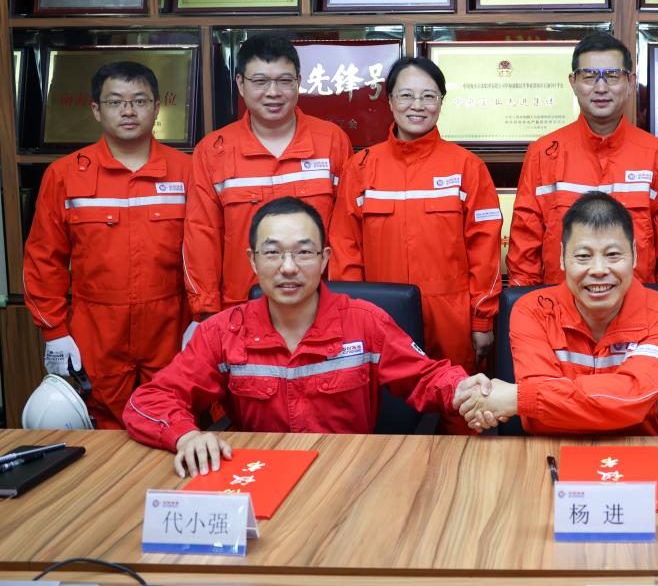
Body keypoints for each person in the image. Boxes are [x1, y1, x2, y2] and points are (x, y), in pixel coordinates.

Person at [125, 197, 492, 476]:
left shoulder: (365, 323)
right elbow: (150, 401)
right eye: (273, 253)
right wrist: (185, 435)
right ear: (253, 260)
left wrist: (465, 389)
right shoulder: (222, 333)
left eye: (303, 252)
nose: (288, 268)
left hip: (347, 475)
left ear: (324, 258)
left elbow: (425, 378)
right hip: (259, 476)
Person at [328, 56, 503, 424]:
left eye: (428, 96)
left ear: (441, 101)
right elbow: (346, 250)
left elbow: (485, 250)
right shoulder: (361, 168)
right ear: (390, 101)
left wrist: (481, 321)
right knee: (386, 414)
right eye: (406, 95)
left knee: (460, 411)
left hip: (452, 319)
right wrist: (349, 319)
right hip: (380, 316)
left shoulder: (467, 167)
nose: (417, 105)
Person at [23, 61, 192, 429]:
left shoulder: (187, 171)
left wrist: (202, 320)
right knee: (100, 429)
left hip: (170, 327)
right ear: (96, 110)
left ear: (157, 107)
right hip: (96, 331)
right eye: (115, 102)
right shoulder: (65, 175)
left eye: (139, 101)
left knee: (173, 419)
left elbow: (205, 254)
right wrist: (55, 331)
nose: (128, 111)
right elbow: (43, 259)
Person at [457, 192, 658, 434]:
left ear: (634, 254)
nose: (599, 270)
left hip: (639, 450)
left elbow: (540, 405)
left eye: (613, 255)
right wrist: (650, 405)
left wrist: (518, 399)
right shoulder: (531, 311)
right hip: (550, 449)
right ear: (562, 258)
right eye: (583, 256)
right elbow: (540, 418)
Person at [507, 32, 658, 300]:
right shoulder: (543, 153)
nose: (601, 87)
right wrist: (529, 308)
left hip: (638, 310)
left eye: (612, 76)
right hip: (560, 309)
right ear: (573, 82)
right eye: (589, 76)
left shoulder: (656, 155)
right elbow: (525, 244)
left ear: (630, 82)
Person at [183, 33, 352, 321]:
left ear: (298, 82)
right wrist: (206, 311)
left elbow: (346, 234)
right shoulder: (213, 152)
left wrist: (346, 300)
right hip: (240, 309)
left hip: (319, 306)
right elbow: (201, 235)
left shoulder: (331, 142)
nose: (273, 92)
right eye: (260, 81)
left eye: (284, 81)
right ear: (240, 84)